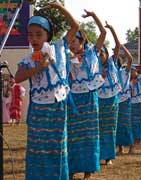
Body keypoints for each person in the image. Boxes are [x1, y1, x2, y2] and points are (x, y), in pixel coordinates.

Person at [14, 1, 79, 179]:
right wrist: (38, 68)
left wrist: (59, 7)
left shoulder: (59, 48)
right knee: (37, 149)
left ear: (47, 35)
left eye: (38, 34)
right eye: (30, 35)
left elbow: (75, 26)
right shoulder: (28, 58)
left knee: (56, 148)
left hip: (57, 107)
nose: (33, 39)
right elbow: (17, 77)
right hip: (38, 110)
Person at [67, 10, 106, 180]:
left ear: (82, 41)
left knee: (88, 133)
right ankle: (72, 168)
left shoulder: (92, 53)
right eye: (69, 43)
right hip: (74, 98)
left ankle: (88, 170)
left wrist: (94, 16)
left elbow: (103, 33)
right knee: (74, 133)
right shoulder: (67, 58)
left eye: (74, 42)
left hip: (89, 98)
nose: (71, 45)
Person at [98, 21, 121, 165]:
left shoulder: (113, 61)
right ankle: (100, 154)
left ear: (106, 54)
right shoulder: (94, 66)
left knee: (110, 128)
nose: (100, 55)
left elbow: (118, 46)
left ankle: (109, 157)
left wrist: (112, 28)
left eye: (102, 53)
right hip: (99, 98)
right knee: (99, 128)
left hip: (112, 99)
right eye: (98, 53)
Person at [116, 43, 134, 155]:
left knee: (126, 124)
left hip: (125, 101)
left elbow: (131, 59)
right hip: (116, 101)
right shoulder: (111, 72)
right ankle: (120, 148)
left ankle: (131, 146)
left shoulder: (125, 72)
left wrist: (123, 48)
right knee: (117, 125)